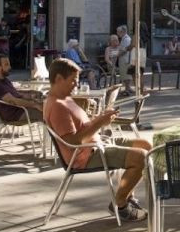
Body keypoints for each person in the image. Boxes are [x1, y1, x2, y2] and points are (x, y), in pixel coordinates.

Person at [44, 58, 152, 222]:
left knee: (146, 145)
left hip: (96, 143)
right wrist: (101, 122)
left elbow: (81, 128)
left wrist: (99, 118)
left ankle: (126, 195)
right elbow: (74, 141)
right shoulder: (58, 106)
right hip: (85, 155)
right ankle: (120, 204)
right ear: (59, 79)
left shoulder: (64, 98)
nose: (76, 85)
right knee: (142, 157)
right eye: (73, 81)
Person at [0, 54, 44, 123]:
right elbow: (14, 101)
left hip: (21, 110)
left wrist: (33, 96)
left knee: (48, 106)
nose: (10, 67)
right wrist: (34, 105)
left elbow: (16, 94)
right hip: (16, 115)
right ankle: (56, 132)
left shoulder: (4, 80)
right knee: (46, 112)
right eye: (6, 65)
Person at [114, 26, 134, 95]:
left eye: (118, 32)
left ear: (122, 32)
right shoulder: (124, 38)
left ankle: (127, 88)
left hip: (125, 59)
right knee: (125, 74)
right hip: (124, 59)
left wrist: (117, 55)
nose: (117, 33)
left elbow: (125, 50)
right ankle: (127, 88)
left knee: (126, 74)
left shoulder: (126, 39)